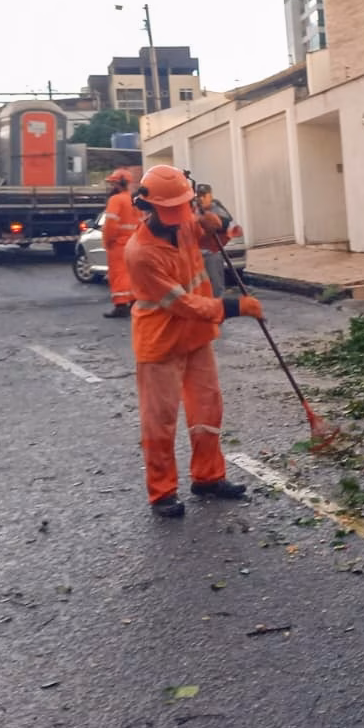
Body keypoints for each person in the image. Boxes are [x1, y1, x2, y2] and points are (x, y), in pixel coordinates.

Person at [126, 164, 262, 518]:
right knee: (160, 420)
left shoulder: (184, 221)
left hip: (196, 338)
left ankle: (208, 477)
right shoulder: (140, 253)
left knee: (208, 409)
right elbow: (182, 304)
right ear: (148, 206)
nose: (177, 217)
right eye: (169, 210)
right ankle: (162, 492)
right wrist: (234, 306)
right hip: (160, 344)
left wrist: (217, 231)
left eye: (181, 209)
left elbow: (206, 243)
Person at [100, 171, 141, 319]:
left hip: (118, 244)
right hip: (135, 243)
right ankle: (133, 301)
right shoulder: (134, 200)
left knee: (118, 275)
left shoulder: (116, 200)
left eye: (113, 183)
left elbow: (110, 225)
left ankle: (120, 305)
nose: (111, 186)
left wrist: (107, 241)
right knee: (132, 274)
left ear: (118, 184)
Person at [194, 182, 238, 297]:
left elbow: (226, 222)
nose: (202, 199)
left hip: (212, 252)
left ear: (210, 196)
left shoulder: (216, 207)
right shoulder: (193, 208)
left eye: (204, 195)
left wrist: (211, 222)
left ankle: (218, 306)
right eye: (199, 196)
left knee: (216, 284)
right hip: (197, 254)